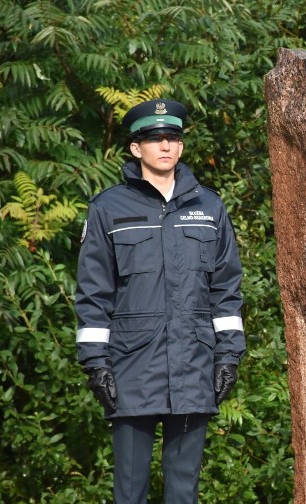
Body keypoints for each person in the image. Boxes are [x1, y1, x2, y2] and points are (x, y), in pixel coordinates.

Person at [75, 99, 246, 503]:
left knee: (184, 491)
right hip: (132, 367)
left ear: (182, 146)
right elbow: (93, 293)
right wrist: (96, 363)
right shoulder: (108, 208)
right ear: (136, 149)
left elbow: (226, 290)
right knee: (129, 490)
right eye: (154, 139)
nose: (165, 146)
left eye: (172, 138)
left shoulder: (209, 207)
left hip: (195, 366)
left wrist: (229, 356)